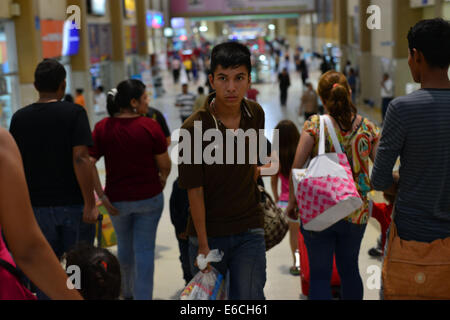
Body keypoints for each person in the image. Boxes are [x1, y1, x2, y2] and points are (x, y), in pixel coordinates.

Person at [178, 42, 268, 300]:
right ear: (211, 80)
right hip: (209, 234)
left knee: (250, 298)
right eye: (223, 78)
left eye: (239, 78)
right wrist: (203, 246)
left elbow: (255, 163)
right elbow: (194, 190)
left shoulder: (255, 113)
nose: (231, 87)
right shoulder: (194, 128)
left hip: (249, 229)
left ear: (249, 79)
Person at [286, 71, 380, 300]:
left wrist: (292, 202)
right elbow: (380, 172)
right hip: (355, 211)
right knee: (349, 270)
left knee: (319, 275)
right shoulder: (368, 128)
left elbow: (296, 168)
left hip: (319, 209)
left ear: (322, 97)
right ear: (349, 92)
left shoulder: (315, 125)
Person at [9, 59, 98, 299]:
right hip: (73, 206)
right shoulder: (74, 113)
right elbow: (81, 158)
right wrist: (90, 203)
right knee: (77, 268)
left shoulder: (19, 118)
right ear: (63, 85)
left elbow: (14, 165)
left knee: (44, 271)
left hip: (35, 209)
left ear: (36, 85)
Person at [89, 79, 171, 300]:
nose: (148, 102)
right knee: (145, 251)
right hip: (149, 198)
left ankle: (127, 293)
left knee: (124, 248)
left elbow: (88, 162)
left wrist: (102, 195)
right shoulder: (150, 126)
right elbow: (165, 164)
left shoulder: (102, 127)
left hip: (117, 201)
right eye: (145, 98)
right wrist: (161, 180)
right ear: (133, 102)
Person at [371, 18, 450, 247]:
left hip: (413, 235)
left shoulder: (402, 109)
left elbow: (379, 178)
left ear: (417, 55)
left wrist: (401, 182)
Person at [0, 128, 83, 300]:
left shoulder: (21, 119)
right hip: (67, 203)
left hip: (38, 207)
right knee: (73, 259)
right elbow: (29, 251)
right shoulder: (1, 141)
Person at [270, 120, 301, 276]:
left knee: (294, 235)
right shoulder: (302, 152)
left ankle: (297, 264)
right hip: (304, 200)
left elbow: (274, 180)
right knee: (308, 235)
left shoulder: (278, 156)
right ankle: (309, 262)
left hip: (287, 202)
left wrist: (276, 198)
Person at [169, 178, 193, 285]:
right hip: (183, 232)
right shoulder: (179, 183)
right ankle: (188, 282)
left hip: (198, 232)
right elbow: (173, 208)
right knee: (186, 260)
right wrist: (180, 229)